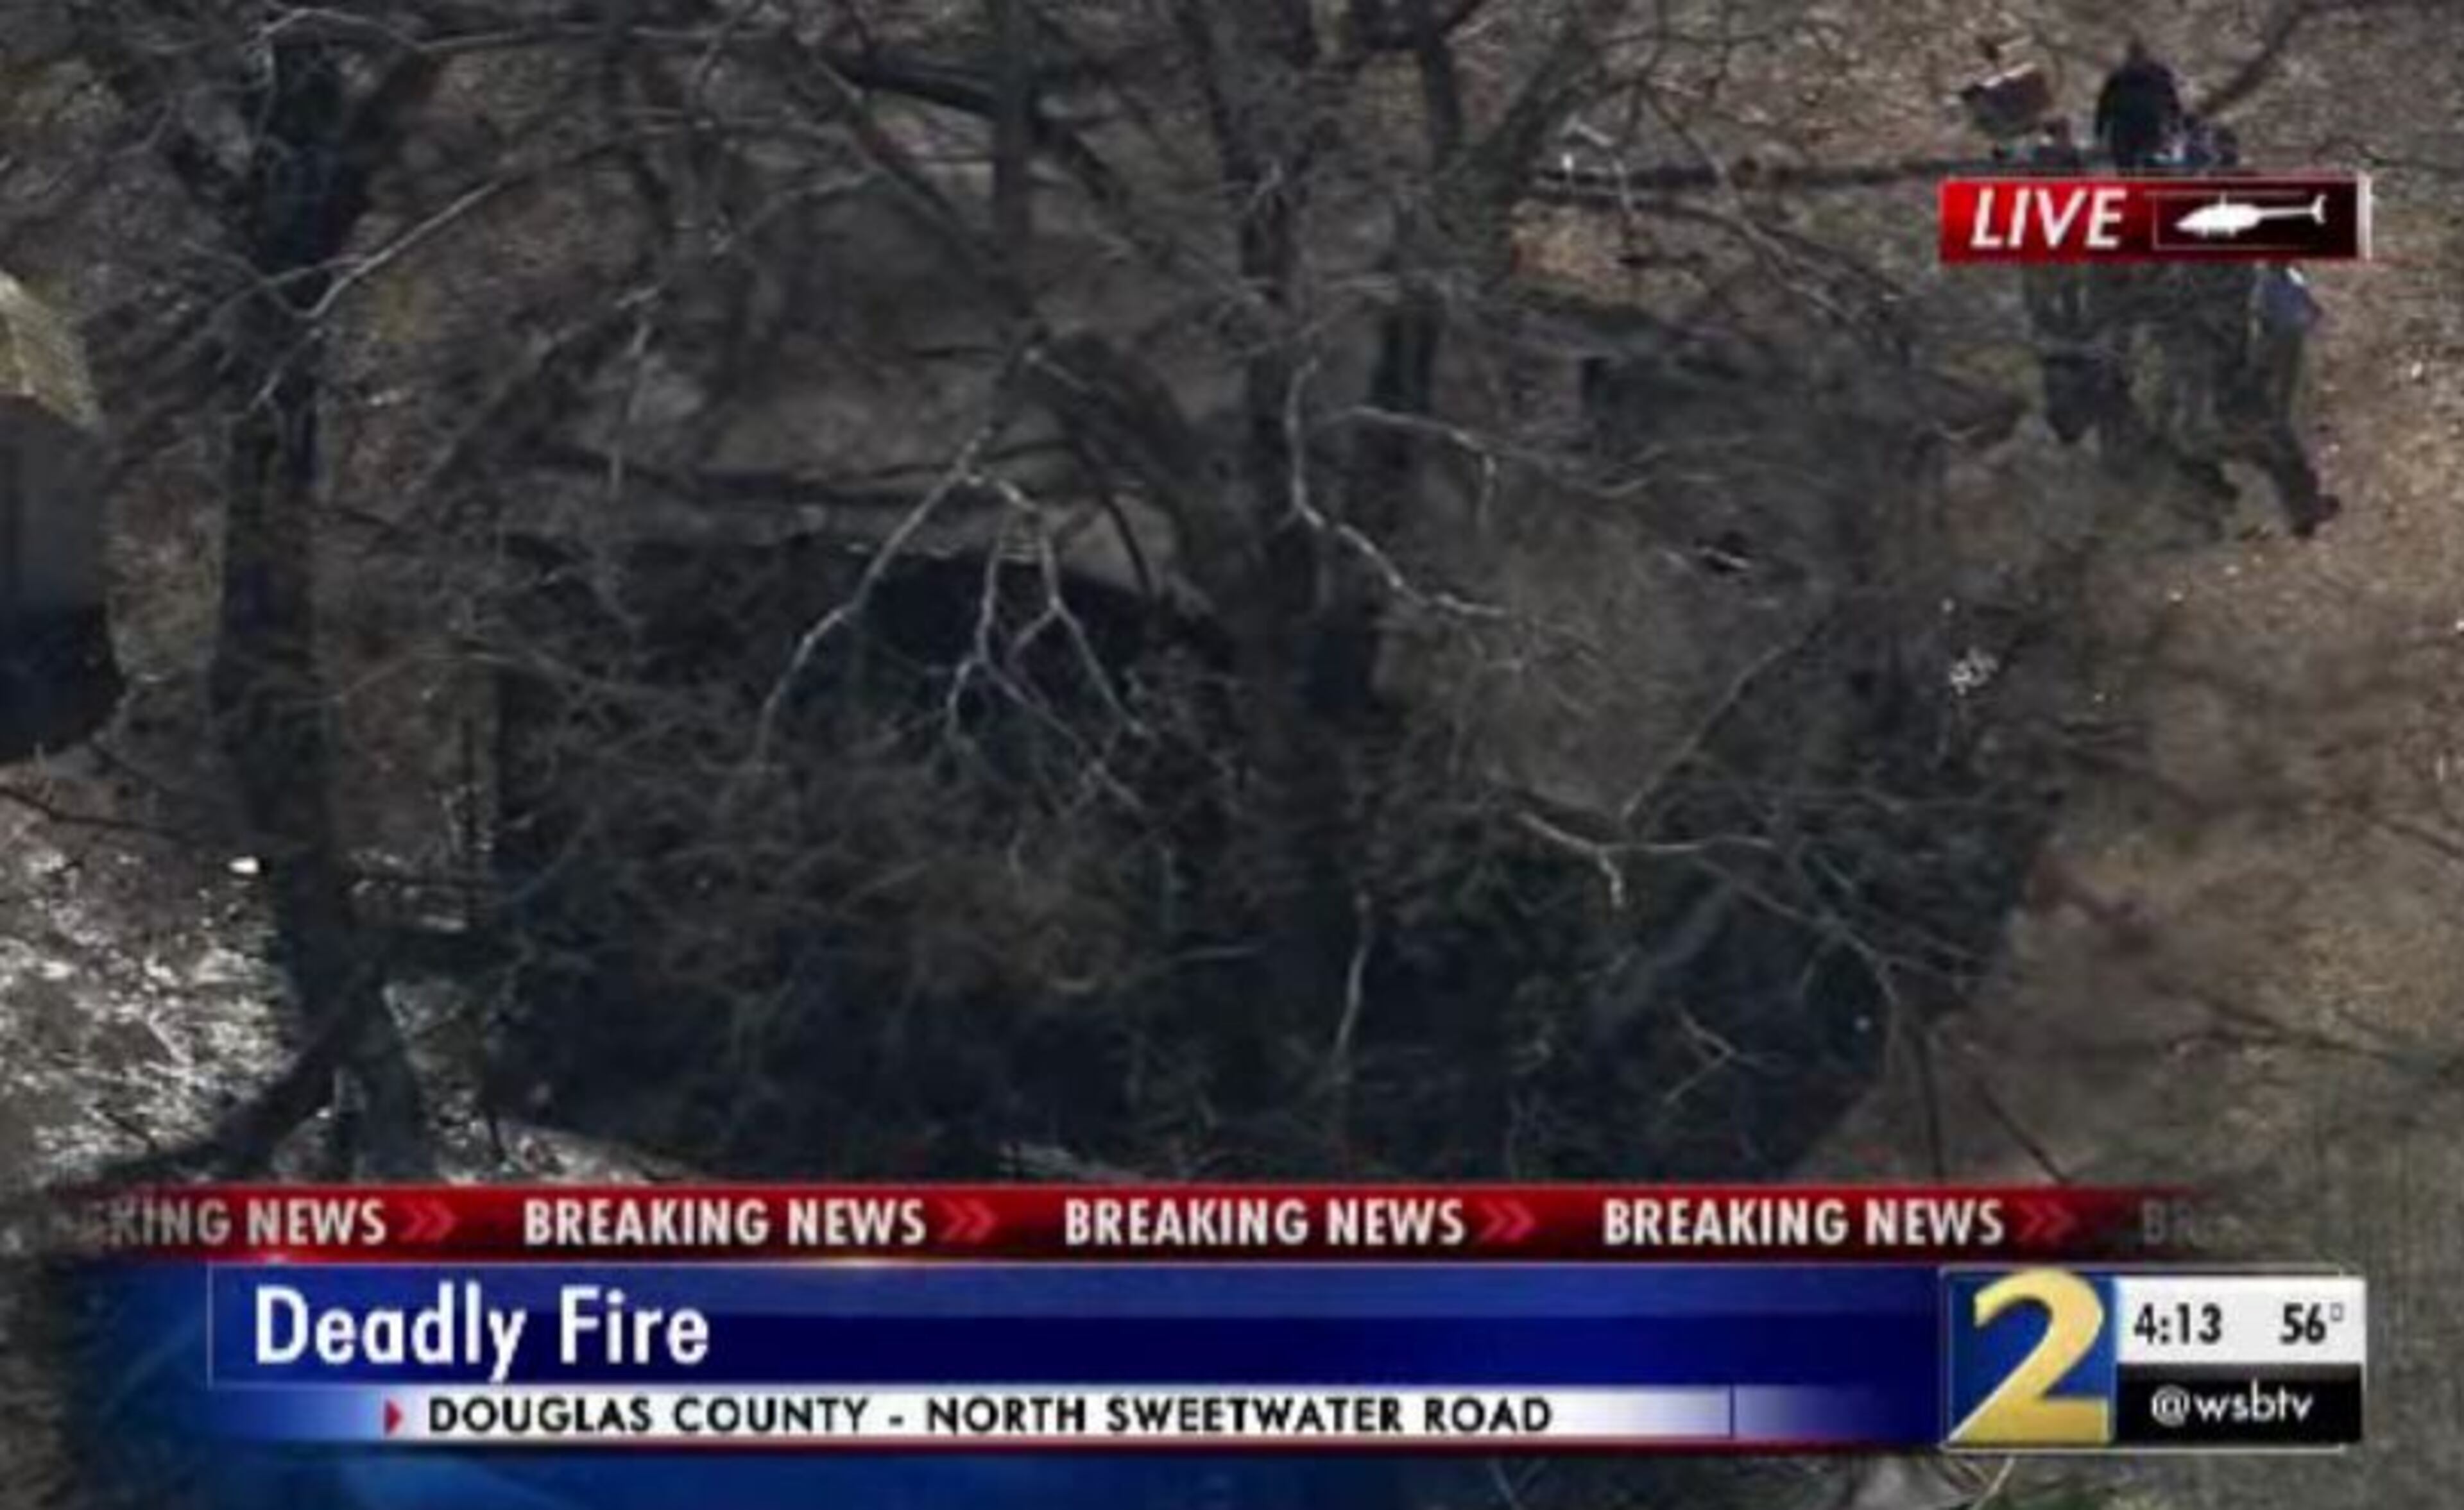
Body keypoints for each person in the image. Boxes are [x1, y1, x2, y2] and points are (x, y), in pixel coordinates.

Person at [2094, 38, 2186, 171]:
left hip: (2124, 127)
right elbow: (2173, 101)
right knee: (2153, 166)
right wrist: (2176, 125)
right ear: (2145, 54)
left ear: (2129, 54)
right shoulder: (2160, 73)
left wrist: (2099, 131)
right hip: (2152, 124)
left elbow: (2104, 104)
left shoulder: (2118, 76)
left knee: (2126, 168)